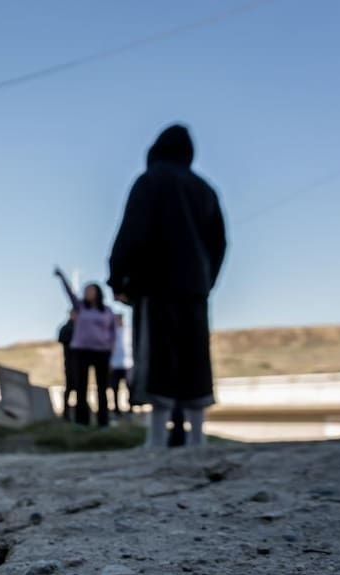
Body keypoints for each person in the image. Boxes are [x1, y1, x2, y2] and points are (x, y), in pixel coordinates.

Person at [108, 124, 226, 448]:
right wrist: (207, 280)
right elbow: (219, 243)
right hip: (194, 287)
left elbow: (131, 232)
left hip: (155, 284)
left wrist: (118, 278)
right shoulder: (205, 189)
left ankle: (157, 438)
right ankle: (197, 438)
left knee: (157, 357)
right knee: (194, 358)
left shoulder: (150, 182)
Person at [53, 267, 117, 427]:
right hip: (81, 351)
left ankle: (104, 421)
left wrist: (111, 349)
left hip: (102, 352)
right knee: (81, 386)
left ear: (97, 292)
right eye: (86, 290)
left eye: (90, 290)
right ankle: (82, 421)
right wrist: (62, 277)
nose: (87, 293)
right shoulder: (80, 307)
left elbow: (113, 332)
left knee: (102, 388)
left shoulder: (107, 311)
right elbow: (70, 292)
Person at [108, 313, 134, 415]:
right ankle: (116, 409)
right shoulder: (111, 332)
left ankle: (130, 407)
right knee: (114, 387)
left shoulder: (128, 331)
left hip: (128, 364)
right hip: (115, 364)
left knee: (129, 387)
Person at [57, 314, 77, 421]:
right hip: (70, 363)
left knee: (79, 388)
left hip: (79, 363)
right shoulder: (66, 328)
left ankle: (79, 412)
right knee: (70, 388)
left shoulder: (80, 327)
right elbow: (61, 339)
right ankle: (66, 413)